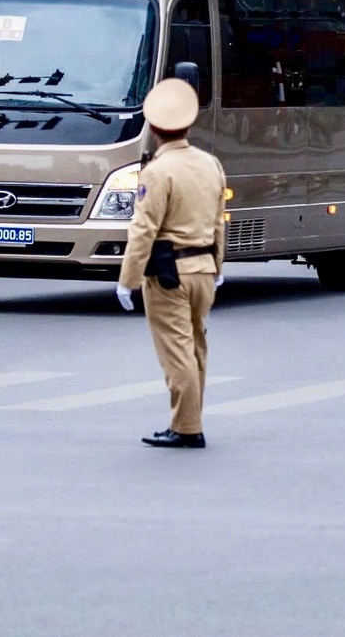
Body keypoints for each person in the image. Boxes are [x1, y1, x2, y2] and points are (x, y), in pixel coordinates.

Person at [115, 77, 227, 449]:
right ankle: (188, 421)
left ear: (154, 127)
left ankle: (187, 428)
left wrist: (127, 280)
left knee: (177, 352)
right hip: (204, 271)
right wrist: (218, 267)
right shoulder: (211, 164)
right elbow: (218, 223)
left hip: (169, 275)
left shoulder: (157, 172)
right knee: (196, 348)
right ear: (189, 124)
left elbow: (144, 229)